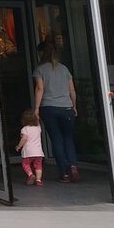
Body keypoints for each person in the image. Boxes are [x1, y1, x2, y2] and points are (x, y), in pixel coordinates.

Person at [33, 38, 80, 183]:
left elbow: (40, 88)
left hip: (49, 108)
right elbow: (72, 90)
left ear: (42, 54)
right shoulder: (64, 69)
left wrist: (36, 108)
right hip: (66, 108)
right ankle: (73, 166)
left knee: (56, 139)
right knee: (68, 138)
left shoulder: (40, 69)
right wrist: (74, 106)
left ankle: (64, 172)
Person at [16, 109, 44, 187]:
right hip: (38, 152)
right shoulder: (38, 128)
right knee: (38, 166)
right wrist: (37, 115)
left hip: (28, 152)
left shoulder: (25, 129)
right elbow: (38, 120)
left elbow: (24, 138)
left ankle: (30, 174)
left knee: (25, 164)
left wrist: (19, 146)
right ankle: (38, 180)